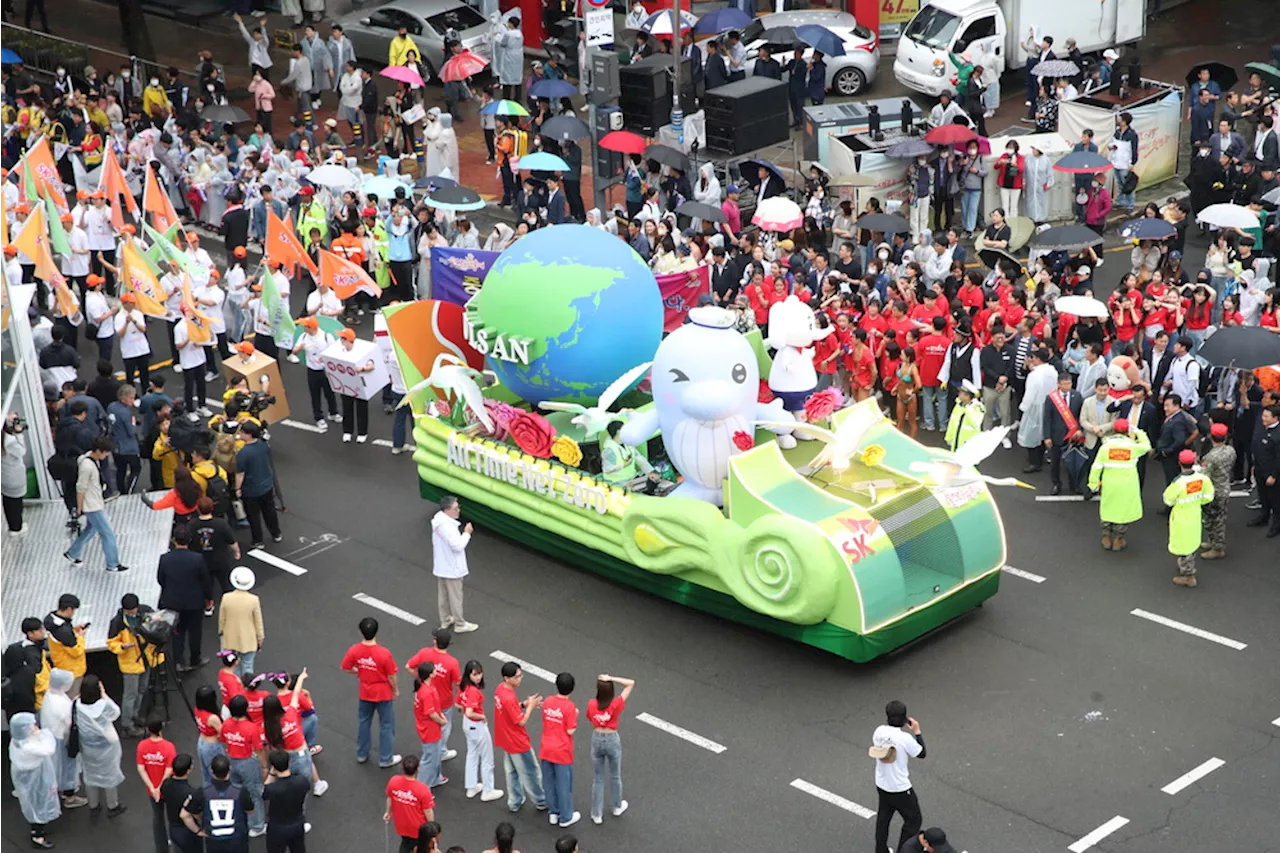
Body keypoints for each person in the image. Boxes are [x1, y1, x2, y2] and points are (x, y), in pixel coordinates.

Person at [341, 616, 401, 768]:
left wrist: (359, 671)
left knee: (364, 721)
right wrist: (395, 689)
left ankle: (362, 753)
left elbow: (346, 667)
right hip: (383, 692)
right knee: (386, 725)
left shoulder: (354, 650)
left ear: (361, 632)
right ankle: (385, 758)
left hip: (365, 690)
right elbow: (391, 675)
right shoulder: (384, 653)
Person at [64, 436, 129, 572]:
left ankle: (72, 553)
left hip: (94, 503)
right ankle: (112, 563)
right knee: (108, 533)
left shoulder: (89, 459)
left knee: (91, 530)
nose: (106, 456)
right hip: (92, 505)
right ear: (99, 451)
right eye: (105, 453)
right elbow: (80, 487)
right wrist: (80, 507)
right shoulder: (87, 466)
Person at [869, 700, 926, 853]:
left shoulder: (878, 731)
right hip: (900, 788)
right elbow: (921, 753)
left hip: (882, 783)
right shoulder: (904, 738)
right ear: (904, 718)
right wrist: (917, 731)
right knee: (914, 820)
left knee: (884, 818)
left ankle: (880, 849)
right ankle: (904, 850)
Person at [1086, 418, 1150, 552]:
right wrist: (1138, 431)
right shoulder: (1133, 447)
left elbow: (1096, 467)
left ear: (1113, 430)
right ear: (1127, 431)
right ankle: (1118, 539)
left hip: (1110, 484)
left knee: (1107, 509)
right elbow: (1146, 446)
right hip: (1127, 485)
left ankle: (1106, 538)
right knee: (1122, 512)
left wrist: (1093, 484)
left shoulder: (1106, 447)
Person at [107, 593, 164, 737]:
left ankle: (135, 714)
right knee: (130, 694)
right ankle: (127, 724)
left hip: (146, 658)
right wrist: (122, 647)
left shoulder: (145, 612)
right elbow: (111, 643)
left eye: (133, 610)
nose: (131, 613)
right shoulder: (118, 622)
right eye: (128, 611)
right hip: (130, 662)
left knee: (141, 689)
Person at [494, 661, 546, 813]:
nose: (520, 679)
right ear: (506, 678)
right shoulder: (508, 697)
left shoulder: (500, 690)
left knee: (512, 772)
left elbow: (510, 709)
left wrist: (523, 704)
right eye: (517, 677)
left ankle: (515, 801)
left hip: (505, 739)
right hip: (517, 741)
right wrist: (529, 707)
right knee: (531, 772)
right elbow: (521, 720)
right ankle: (541, 800)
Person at [76, 674, 128, 819]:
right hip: (107, 747)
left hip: (87, 747)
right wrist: (104, 695)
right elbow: (115, 713)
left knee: (90, 774)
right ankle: (113, 805)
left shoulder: (76, 705)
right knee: (109, 774)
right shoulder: (104, 705)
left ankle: (94, 805)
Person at [180, 753, 258, 847]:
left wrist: (198, 831)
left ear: (211, 771)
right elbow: (250, 810)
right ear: (230, 768)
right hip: (237, 839)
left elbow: (184, 814)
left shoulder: (203, 792)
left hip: (214, 841)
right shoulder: (240, 791)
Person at [9, 713, 61, 849]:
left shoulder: (18, 741)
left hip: (32, 778)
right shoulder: (28, 746)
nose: (34, 727)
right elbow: (49, 749)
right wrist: (42, 734)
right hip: (35, 778)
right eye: (31, 725)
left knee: (36, 803)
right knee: (38, 804)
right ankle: (37, 836)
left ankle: (39, 828)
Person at [586, 674, 633, 824]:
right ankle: (616, 806)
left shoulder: (592, 704)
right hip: (612, 738)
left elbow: (589, 718)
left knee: (598, 777)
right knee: (615, 775)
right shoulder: (615, 704)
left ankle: (597, 813)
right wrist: (611, 678)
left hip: (597, 737)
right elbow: (630, 683)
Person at [1164, 449, 1215, 587]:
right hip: (1195, 515)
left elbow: (1168, 500)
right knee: (1191, 542)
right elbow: (1208, 496)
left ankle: (1188, 576)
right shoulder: (1202, 479)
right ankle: (1185, 565)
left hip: (1180, 517)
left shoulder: (1178, 483)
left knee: (1183, 544)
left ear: (1179, 463)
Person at [457, 659, 504, 801]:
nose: (478, 677)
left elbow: (458, 705)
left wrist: (467, 711)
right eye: (475, 674)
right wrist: (482, 716)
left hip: (467, 724)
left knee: (472, 754)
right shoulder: (473, 691)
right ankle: (487, 790)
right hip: (476, 725)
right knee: (487, 758)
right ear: (469, 675)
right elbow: (470, 711)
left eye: (479, 674)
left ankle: (471, 787)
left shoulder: (463, 686)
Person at [38, 668, 85, 809]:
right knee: (68, 766)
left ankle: (61, 789)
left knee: (57, 767)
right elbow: (68, 721)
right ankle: (69, 796)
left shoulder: (50, 695)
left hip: (51, 736)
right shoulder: (60, 702)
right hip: (62, 738)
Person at [432, 495, 477, 632]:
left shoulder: (439, 521)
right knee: (456, 596)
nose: (458, 511)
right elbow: (457, 546)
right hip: (452, 567)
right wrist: (467, 533)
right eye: (455, 508)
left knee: (443, 595)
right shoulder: (447, 527)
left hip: (442, 566)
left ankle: (445, 619)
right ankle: (460, 624)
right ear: (447, 510)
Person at [540, 672, 580, 828]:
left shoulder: (548, 701)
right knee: (563, 784)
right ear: (572, 689)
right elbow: (570, 730)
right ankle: (565, 816)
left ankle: (553, 812)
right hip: (562, 750)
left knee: (549, 782)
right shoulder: (570, 707)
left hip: (546, 747)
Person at [235, 421, 281, 549]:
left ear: (248, 434)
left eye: (242, 432)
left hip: (251, 490)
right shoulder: (263, 445)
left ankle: (258, 540)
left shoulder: (243, 453)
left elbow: (240, 474)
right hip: (266, 485)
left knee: (253, 516)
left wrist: (237, 488)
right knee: (270, 511)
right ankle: (276, 533)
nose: (240, 434)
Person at [137, 716, 177, 853]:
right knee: (173, 817)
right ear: (161, 728)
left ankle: (161, 848)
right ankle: (176, 842)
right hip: (168, 788)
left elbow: (141, 769)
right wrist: (160, 787)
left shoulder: (142, 746)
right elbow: (169, 769)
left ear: (148, 729)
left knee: (158, 817)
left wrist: (152, 788)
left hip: (152, 791)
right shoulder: (168, 746)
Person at [262, 747, 313, 852]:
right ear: (288, 763)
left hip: (277, 828)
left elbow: (263, 793)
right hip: (297, 824)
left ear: (274, 767)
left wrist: (271, 774)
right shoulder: (302, 781)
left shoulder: (273, 789)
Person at [385, 754, 435, 853]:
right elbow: (428, 811)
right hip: (418, 828)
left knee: (406, 843)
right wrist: (432, 827)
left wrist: (388, 812)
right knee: (420, 848)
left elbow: (390, 798)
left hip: (401, 824)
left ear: (403, 768)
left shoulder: (394, 781)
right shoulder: (422, 789)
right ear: (418, 769)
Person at [1200, 422, 1236, 559]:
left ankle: (1218, 548)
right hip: (1225, 487)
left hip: (1214, 491)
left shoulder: (1210, 457)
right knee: (1219, 518)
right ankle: (1213, 542)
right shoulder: (1230, 451)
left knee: (1213, 520)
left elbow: (1204, 476)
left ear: (1211, 437)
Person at [219, 566, 265, 676]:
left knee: (233, 668)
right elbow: (258, 620)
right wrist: (260, 637)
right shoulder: (253, 599)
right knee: (248, 665)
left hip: (230, 638)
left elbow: (222, 619)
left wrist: (221, 632)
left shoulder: (226, 597)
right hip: (248, 639)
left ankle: (236, 688)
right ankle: (248, 688)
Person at [411, 661, 449, 788]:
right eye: (434, 670)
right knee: (429, 758)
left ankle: (435, 778)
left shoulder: (425, 687)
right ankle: (422, 787)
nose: (436, 671)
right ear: (429, 674)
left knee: (436, 755)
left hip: (431, 728)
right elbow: (431, 713)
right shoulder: (426, 692)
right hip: (429, 729)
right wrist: (442, 720)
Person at [43, 594, 87, 699]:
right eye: (73, 610)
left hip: (62, 666)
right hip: (73, 671)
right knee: (73, 699)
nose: (73, 613)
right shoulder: (63, 630)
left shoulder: (51, 620)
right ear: (68, 609)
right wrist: (81, 637)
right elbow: (76, 651)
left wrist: (74, 631)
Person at [1246, 404, 1280, 537]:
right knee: (1263, 497)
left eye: (1266, 416)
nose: (1263, 418)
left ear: (1275, 418)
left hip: (1272, 474)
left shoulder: (1278, 435)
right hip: (1260, 470)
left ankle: (1277, 525)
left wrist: (1273, 475)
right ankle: (1263, 517)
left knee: (1275, 501)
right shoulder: (1262, 428)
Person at [160, 754, 200, 853]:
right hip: (188, 831)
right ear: (188, 770)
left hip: (173, 828)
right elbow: (195, 814)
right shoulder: (191, 793)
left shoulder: (166, 784)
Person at [1, 411, 28, 536]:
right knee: (16, 503)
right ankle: (16, 528)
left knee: (7, 502)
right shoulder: (9, 441)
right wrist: (19, 434)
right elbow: (21, 451)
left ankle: (12, 525)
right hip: (14, 476)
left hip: (4, 475)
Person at [944, 380, 985, 451]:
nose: (959, 394)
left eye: (961, 393)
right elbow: (952, 421)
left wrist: (968, 409)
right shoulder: (958, 404)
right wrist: (949, 437)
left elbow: (975, 423)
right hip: (956, 442)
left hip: (969, 446)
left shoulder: (977, 408)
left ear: (967, 396)